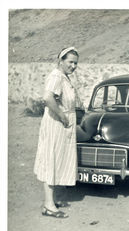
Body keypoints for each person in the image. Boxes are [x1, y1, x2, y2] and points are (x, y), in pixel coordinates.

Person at [34, 46, 82, 218]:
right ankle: (48, 205)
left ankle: (54, 200)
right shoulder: (56, 76)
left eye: (76, 63)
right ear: (60, 61)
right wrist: (62, 116)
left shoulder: (64, 77)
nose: (73, 66)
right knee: (51, 160)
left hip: (63, 125)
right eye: (70, 62)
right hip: (55, 124)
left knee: (60, 160)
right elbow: (47, 98)